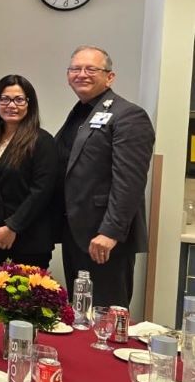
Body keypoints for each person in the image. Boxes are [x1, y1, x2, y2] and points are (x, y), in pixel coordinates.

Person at [55, 46, 154, 306]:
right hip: (76, 233)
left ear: (109, 77)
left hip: (104, 238)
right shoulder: (80, 112)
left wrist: (110, 232)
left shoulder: (128, 115)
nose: (82, 75)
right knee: (80, 312)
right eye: (75, 69)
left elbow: (129, 181)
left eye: (91, 69)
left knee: (105, 315)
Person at [0, 76, 60, 273]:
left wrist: (12, 227)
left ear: (29, 104)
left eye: (19, 99)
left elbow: (41, 191)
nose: (12, 105)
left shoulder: (42, 141)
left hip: (28, 240)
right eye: (5, 99)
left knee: (27, 302)